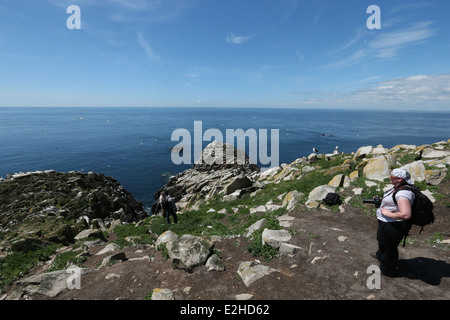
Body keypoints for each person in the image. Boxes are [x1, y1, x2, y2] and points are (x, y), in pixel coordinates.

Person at [373, 168, 414, 276]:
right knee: (382, 241)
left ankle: (387, 270)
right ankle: (381, 257)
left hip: (393, 225)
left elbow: (406, 214)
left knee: (389, 247)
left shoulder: (403, 194)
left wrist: (387, 214)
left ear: (400, 179)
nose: (389, 178)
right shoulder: (398, 188)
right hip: (387, 223)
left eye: (392, 177)